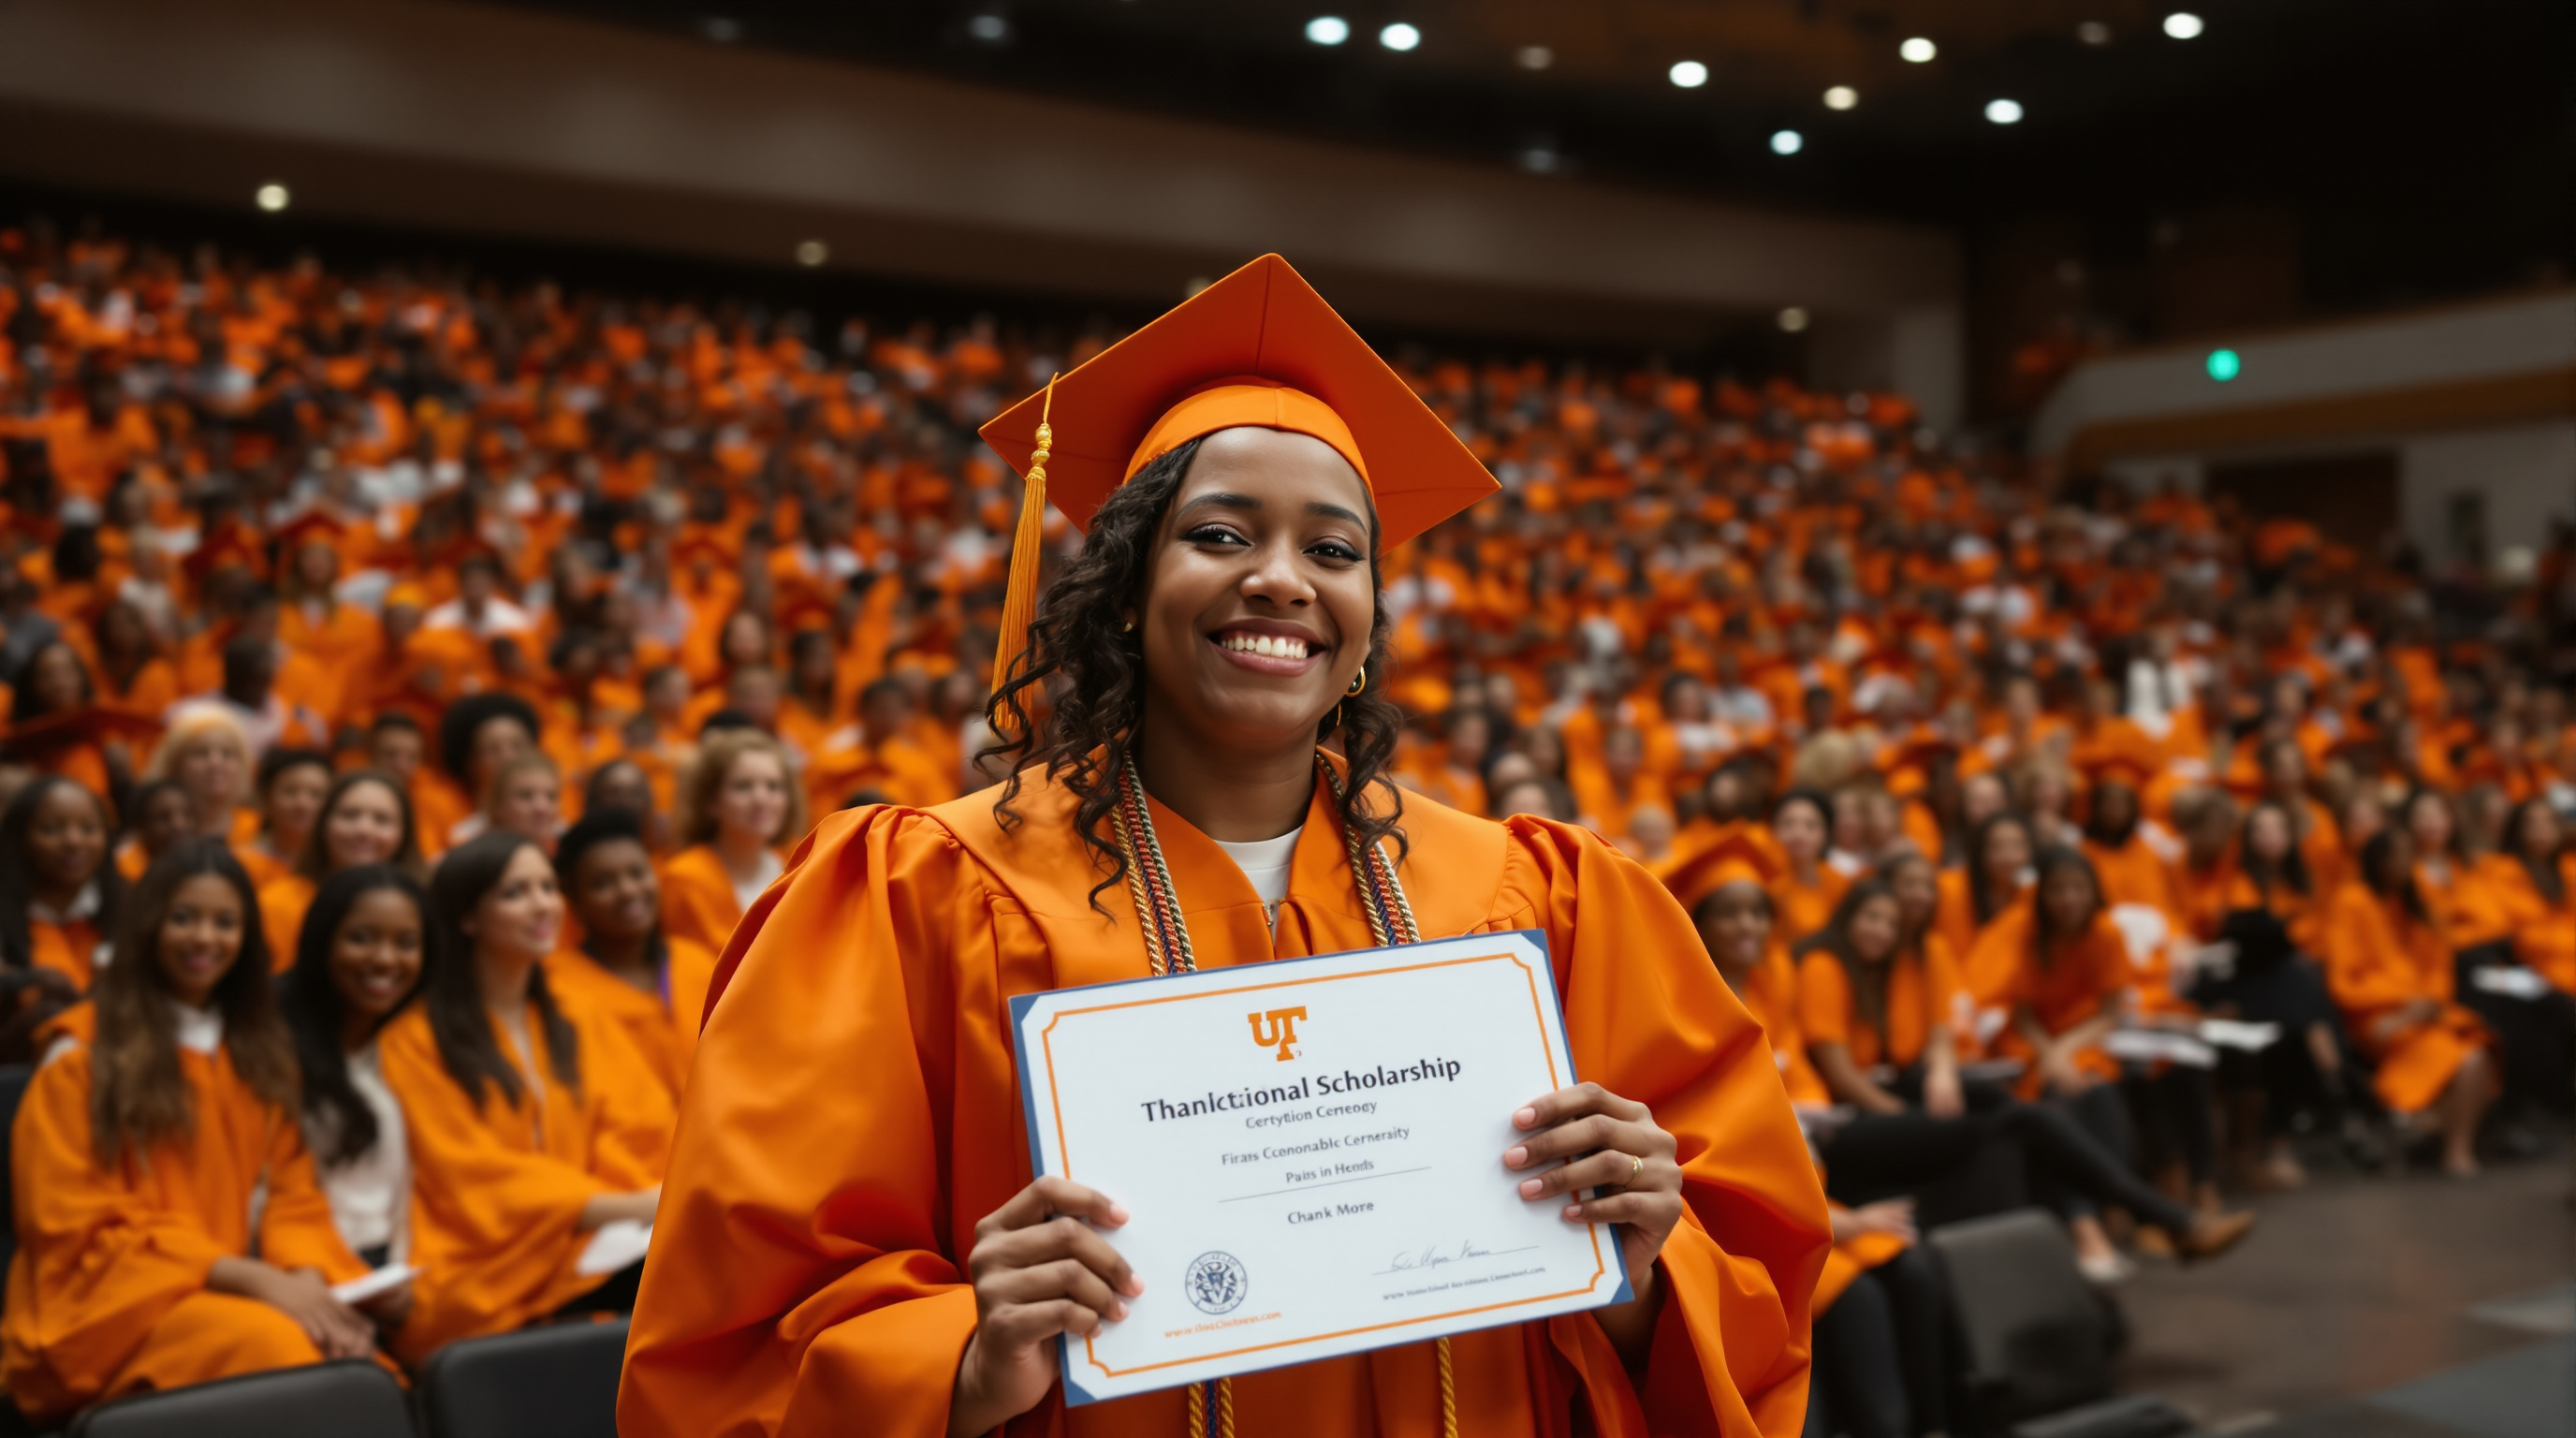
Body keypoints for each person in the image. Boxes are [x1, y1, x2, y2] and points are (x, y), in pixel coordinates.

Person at [619, 256, 1832, 1438]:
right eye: (1221, 534)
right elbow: (742, 1334)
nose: (1282, 580)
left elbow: (1750, 1296)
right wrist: (966, 1358)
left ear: (1367, 620)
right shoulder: (920, 896)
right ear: (1127, 584)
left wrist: (1638, 1264)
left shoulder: (1544, 899)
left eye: (1334, 550)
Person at [0, 841, 376, 1422]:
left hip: (225, 1293)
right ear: (148, 925)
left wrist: (305, 1280)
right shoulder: (79, 1060)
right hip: (115, 1311)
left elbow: (292, 1194)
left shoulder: (258, 1054)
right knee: (279, 1350)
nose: (206, 938)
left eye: (225, 922)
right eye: (184, 918)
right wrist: (246, 1277)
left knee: (361, 1362)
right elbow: (72, 1225)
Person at [376, 831, 671, 1363]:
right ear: (467, 918)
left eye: (546, 887)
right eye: (516, 893)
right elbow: (471, 1177)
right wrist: (633, 1206)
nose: (543, 905)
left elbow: (642, 1127)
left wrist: (652, 1200)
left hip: (595, 1242)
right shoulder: (414, 1040)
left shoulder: (575, 1014)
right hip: (491, 1264)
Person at [278, 865, 430, 1312]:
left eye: (406, 943)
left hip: (394, 1272)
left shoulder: (412, 1045)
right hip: (309, 1278)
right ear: (322, 942)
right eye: (362, 938)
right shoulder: (273, 1047)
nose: (385, 960)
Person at [2322, 830, 2496, 1176]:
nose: (2403, 864)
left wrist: (2424, 1004)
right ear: (2377, 861)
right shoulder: (2351, 901)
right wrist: (2406, 1004)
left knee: (2480, 1054)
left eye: (2408, 855)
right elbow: (2343, 983)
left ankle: (2438, 1136)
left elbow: (2440, 971)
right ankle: (2448, 1145)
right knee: (2471, 1058)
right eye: (2395, 856)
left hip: (2429, 1014)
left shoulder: (2422, 905)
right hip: (2376, 1017)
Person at [548, 810, 720, 1103]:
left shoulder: (698, 962)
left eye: (638, 873)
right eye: (603, 883)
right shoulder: (558, 984)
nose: (628, 891)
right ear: (575, 902)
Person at [656, 727, 803, 956]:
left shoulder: (800, 865)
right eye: (743, 786)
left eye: (773, 786)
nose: (761, 799)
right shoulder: (683, 877)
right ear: (711, 801)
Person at [257, 770, 422, 973]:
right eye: (349, 815)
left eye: (382, 820)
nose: (364, 829)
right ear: (323, 825)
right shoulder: (276, 903)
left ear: (404, 834)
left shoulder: (422, 910)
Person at [432, 692, 542, 852]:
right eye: (493, 749)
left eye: (517, 745)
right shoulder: (456, 832)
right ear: (469, 763)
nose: (508, 757)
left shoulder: (554, 822)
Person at [142, 708, 256, 848]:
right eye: (201, 753)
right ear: (176, 764)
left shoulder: (259, 831)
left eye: (227, 754)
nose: (216, 763)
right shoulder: (153, 834)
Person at [239, 748, 331, 890]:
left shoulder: (336, 866)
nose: (302, 803)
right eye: (290, 791)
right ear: (266, 797)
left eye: (316, 794)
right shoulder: (242, 864)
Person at [1769, 788, 1849, 946]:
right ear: (1773, 830)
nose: (1799, 834)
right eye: (1788, 824)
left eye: (1810, 826)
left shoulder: (1839, 882)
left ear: (1826, 835)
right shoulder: (1765, 884)